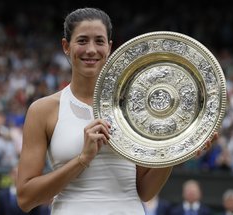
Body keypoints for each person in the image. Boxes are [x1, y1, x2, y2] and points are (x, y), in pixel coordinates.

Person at [16, 7, 217, 215]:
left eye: (99, 41)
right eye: (82, 40)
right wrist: (82, 159)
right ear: (66, 46)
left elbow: (145, 192)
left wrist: (175, 151)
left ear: (110, 47)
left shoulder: (133, 108)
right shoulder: (43, 110)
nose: (91, 49)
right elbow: (25, 198)